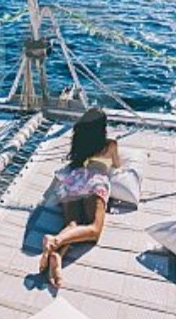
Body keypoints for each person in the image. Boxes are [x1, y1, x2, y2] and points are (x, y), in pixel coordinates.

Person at [39, 107, 121, 288]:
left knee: (72, 224)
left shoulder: (79, 143)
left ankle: (57, 257)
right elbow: (117, 165)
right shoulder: (110, 145)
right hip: (94, 183)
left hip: (72, 182)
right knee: (94, 229)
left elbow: (74, 164)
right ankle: (55, 240)